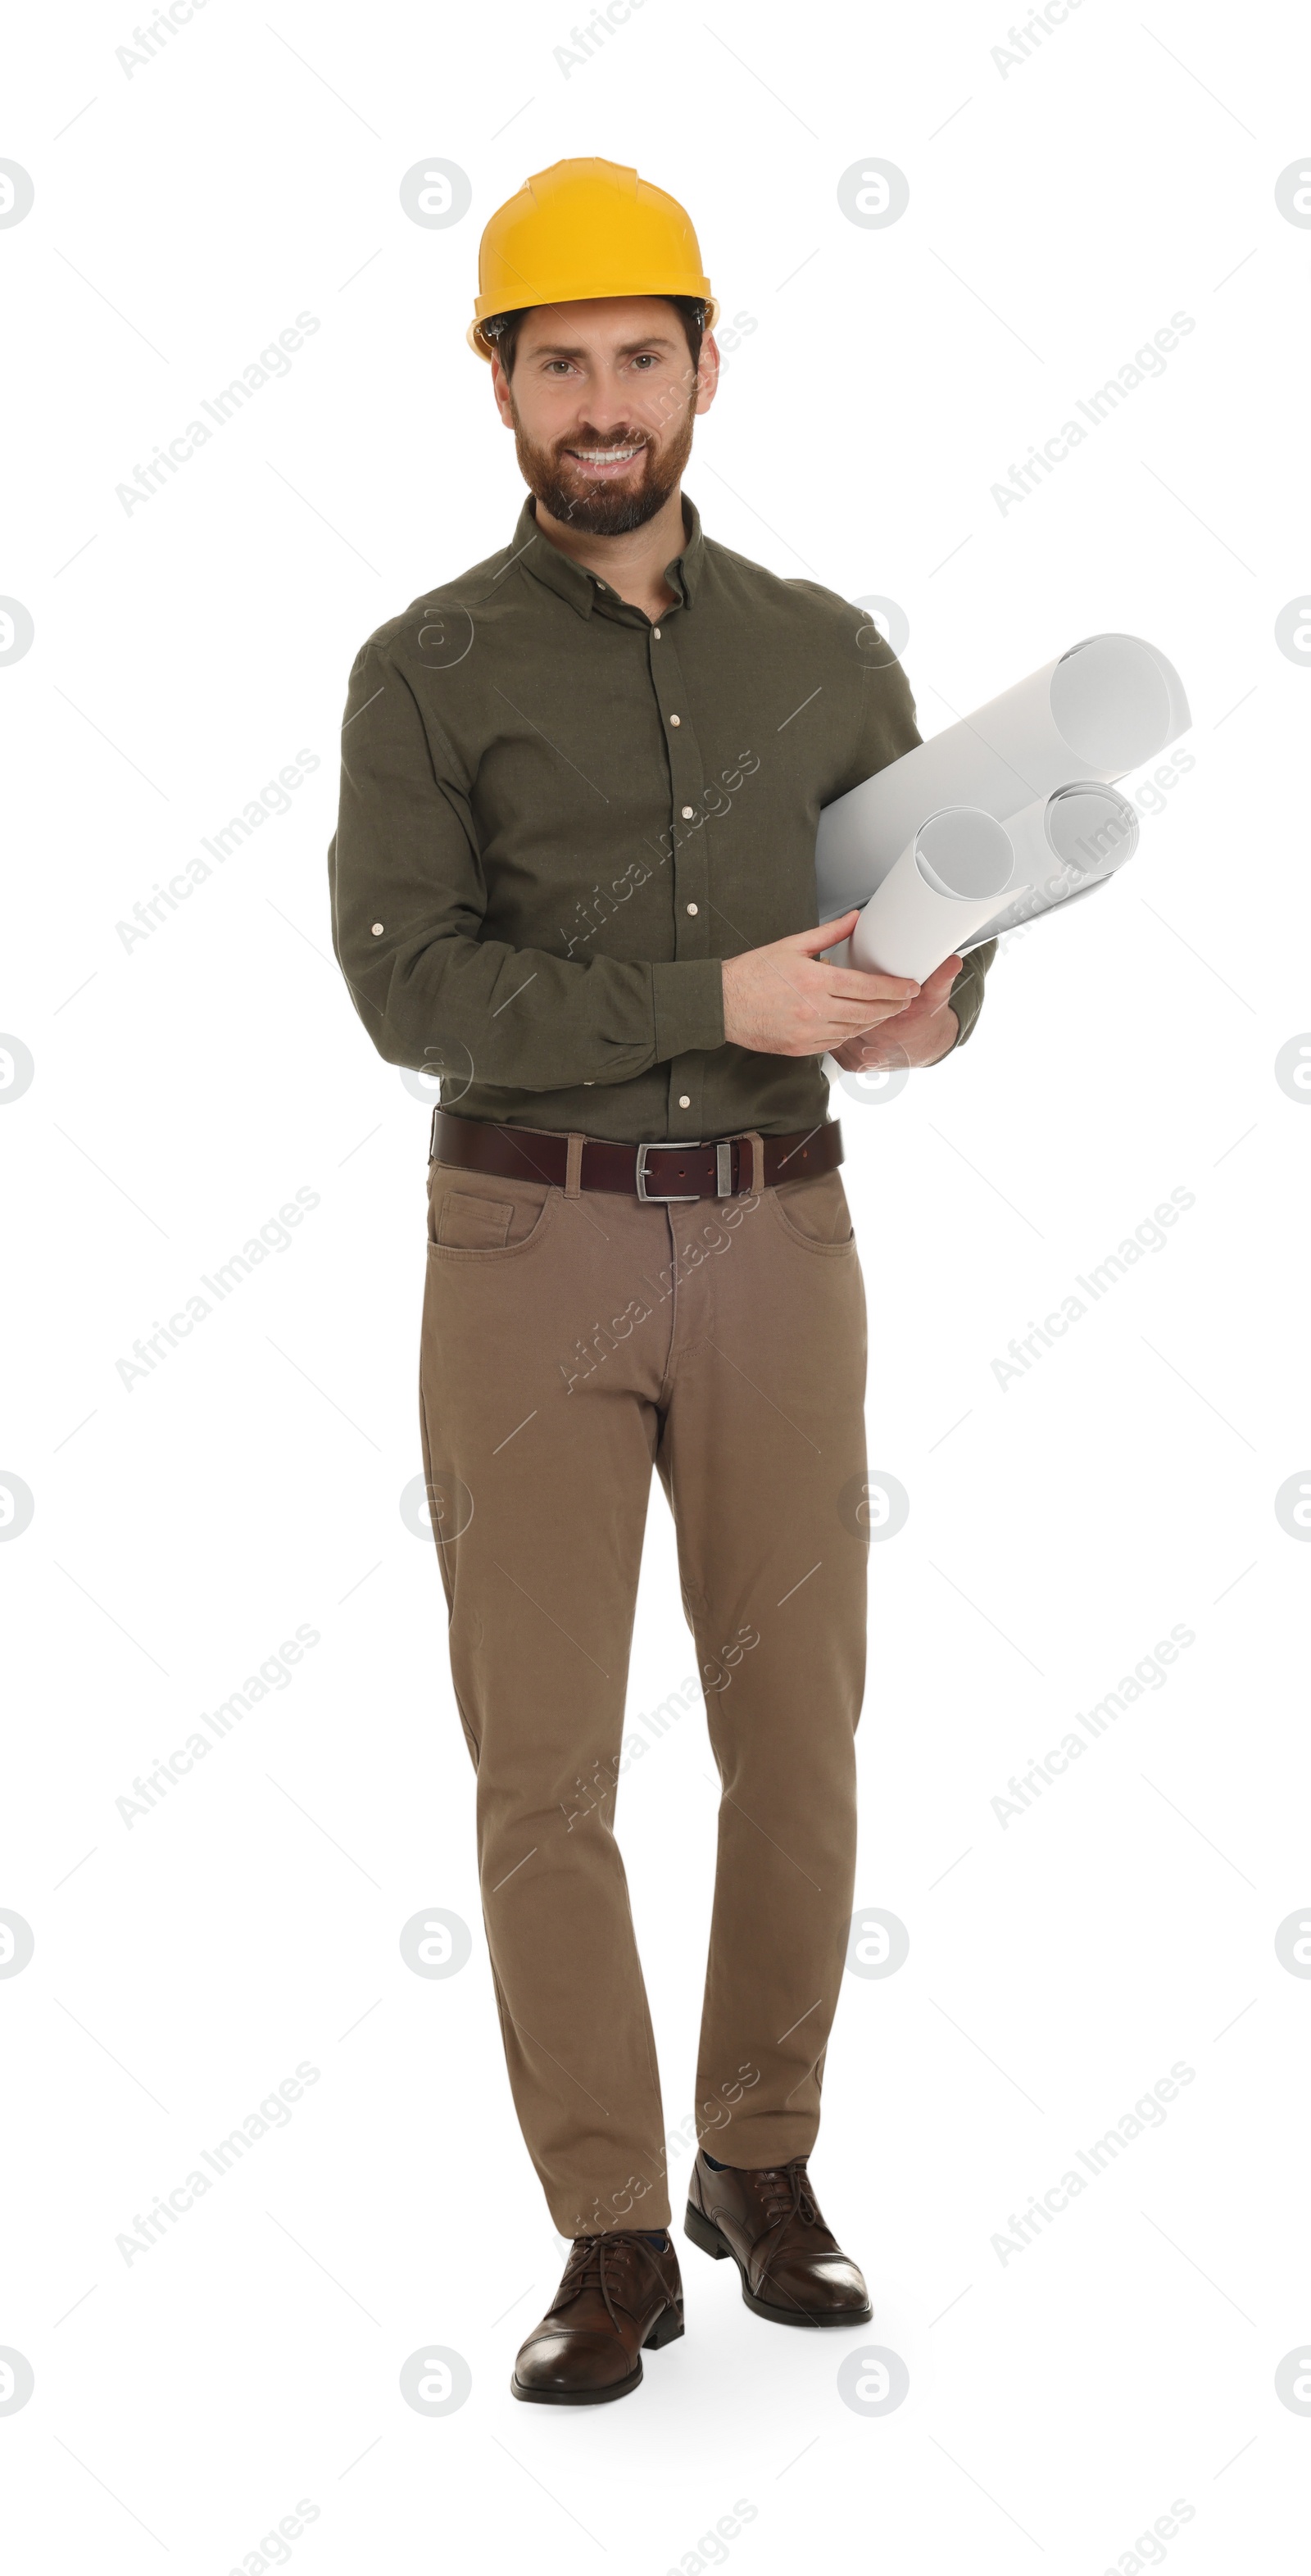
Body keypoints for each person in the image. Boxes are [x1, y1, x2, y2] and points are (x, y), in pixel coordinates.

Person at [328, 156, 994, 2407]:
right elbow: (413, 988)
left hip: (785, 1235)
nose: (602, 404)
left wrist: (928, 1008)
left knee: (798, 1738)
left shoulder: (829, 653)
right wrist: (718, 983)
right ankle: (612, 2227)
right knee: (545, 1762)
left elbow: (923, 956)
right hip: (524, 1238)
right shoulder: (423, 669)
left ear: (708, 367)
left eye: (640, 357)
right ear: (500, 388)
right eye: (559, 364)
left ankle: (762, 2161)